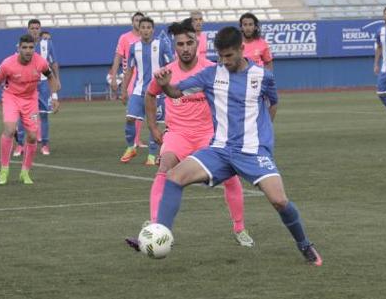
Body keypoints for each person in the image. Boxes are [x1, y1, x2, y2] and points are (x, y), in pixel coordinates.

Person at [132, 26, 322, 265]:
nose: (224, 61)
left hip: (253, 151)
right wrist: (167, 85)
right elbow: (176, 92)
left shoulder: (263, 76)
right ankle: (161, 234)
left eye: (229, 56)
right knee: (173, 176)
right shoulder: (211, 74)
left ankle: (304, 244)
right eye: (220, 56)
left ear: (242, 49)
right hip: (219, 150)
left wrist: (263, 133)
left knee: (279, 201)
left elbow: (273, 102)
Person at [141, 21, 253, 247]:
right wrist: (153, 126)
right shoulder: (166, 73)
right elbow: (150, 94)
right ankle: (157, 227)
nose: (185, 48)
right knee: (164, 168)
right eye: (180, 44)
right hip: (178, 135)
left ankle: (239, 228)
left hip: (208, 136)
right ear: (174, 46)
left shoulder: (213, 70)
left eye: (189, 43)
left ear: (197, 43)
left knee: (231, 176)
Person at [0, 34, 60, 185]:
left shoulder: (40, 62)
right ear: (18, 48)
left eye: (31, 47)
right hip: (11, 97)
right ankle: (4, 170)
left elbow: (51, 77)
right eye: (24, 47)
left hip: (30, 99)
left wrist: (54, 97)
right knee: (10, 130)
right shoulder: (7, 64)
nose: (28, 51)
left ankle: (24, 172)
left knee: (32, 136)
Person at [119, 16, 172, 165]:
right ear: (139, 30)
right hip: (138, 90)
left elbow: (171, 66)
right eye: (143, 27)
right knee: (129, 118)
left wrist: (170, 88)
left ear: (153, 30)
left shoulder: (161, 45)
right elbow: (129, 70)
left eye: (149, 28)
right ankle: (131, 147)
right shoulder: (133, 47)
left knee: (154, 123)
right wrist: (124, 91)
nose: (146, 30)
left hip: (158, 92)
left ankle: (152, 155)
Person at [14, 20, 60, 156]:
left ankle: (45, 145)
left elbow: (54, 62)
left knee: (44, 114)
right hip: (27, 84)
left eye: (37, 28)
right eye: (32, 28)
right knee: (23, 115)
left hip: (43, 83)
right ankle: (20, 145)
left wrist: (57, 79)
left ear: (40, 30)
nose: (35, 30)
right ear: (28, 29)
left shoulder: (47, 43)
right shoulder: (21, 45)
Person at [110, 12, 148, 150]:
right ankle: (134, 141)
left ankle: (136, 140)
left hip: (145, 77)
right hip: (130, 77)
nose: (138, 23)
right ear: (132, 22)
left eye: (140, 20)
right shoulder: (125, 38)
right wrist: (113, 77)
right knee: (134, 109)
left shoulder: (146, 38)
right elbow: (118, 57)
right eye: (136, 20)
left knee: (142, 110)